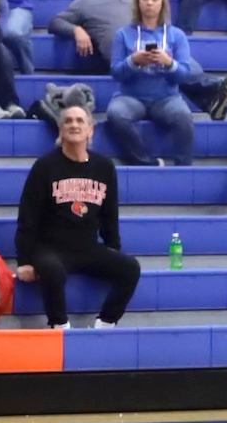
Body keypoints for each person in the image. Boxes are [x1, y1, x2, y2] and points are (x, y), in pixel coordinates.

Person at [15, 105, 138, 329]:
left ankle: (106, 325)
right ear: (61, 130)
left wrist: (113, 247)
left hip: (88, 248)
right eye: (68, 121)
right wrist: (24, 261)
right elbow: (28, 216)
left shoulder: (104, 167)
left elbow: (110, 214)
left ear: (90, 130)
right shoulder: (44, 166)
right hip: (50, 249)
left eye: (80, 121)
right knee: (51, 270)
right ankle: (59, 326)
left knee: (131, 268)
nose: (74, 125)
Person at [108, 0, 201, 167]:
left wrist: (169, 63)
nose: (149, 3)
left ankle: (183, 168)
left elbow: (184, 74)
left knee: (184, 117)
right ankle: (145, 162)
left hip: (166, 98)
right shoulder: (123, 34)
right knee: (115, 114)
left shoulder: (176, 35)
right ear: (138, 2)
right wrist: (133, 61)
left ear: (162, 3)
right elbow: (116, 72)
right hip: (131, 97)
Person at [50, 0, 133, 73]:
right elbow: (56, 22)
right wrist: (76, 30)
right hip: (114, 67)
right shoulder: (85, 2)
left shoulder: (138, 2)